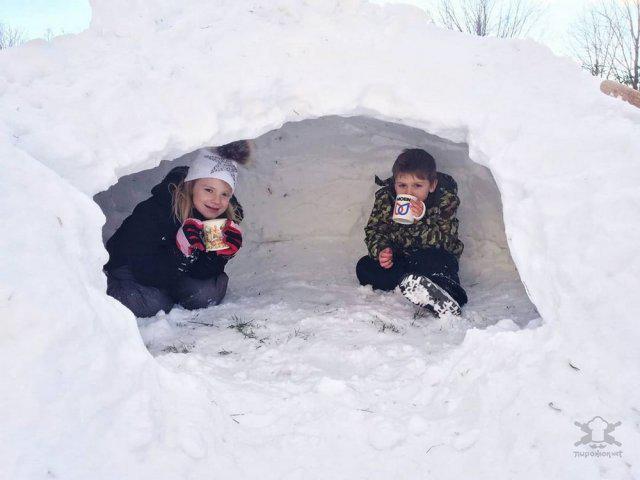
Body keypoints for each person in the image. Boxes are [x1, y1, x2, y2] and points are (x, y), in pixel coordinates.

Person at [104, 140, 250, 318]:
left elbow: (202, 272)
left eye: (224, 194)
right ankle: (109, 289)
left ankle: (166, 293)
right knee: (153, 304)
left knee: (206, 294)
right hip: (131, 268)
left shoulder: (220, 218)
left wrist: (219, 255)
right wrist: (179, 252)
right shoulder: (159, 209)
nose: (216, 200)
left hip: (171, 271)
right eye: (209, 190)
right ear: (192, 186)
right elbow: (144, 270)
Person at [355, 148, 467, 316]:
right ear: (395, 184)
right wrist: (381, 251)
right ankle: (412, 285)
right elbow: (374, 230)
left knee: (441, 263)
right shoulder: (386, 198)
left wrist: (420, 220)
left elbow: (446, 241)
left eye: (417, 186)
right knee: (364, 267)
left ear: (432, 185)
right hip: (401, 258)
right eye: (402, 185)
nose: (409, 193)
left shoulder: (444, 200)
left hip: (432, 257)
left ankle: (446, 295)